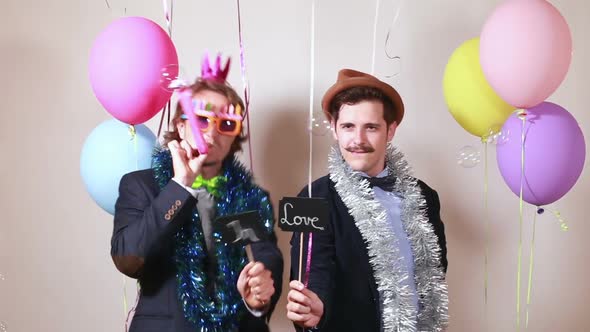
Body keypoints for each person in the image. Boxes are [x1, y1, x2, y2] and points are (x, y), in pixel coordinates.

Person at [111, 53, 283, 332]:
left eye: (226, 124)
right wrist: (180, 186)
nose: (212, 133)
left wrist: (259, 294)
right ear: (181, 126)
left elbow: (266, 257)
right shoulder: (142, 186)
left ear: (234, 136)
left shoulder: (248, 197)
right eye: (201, 119)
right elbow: (128, 258)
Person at [286, 69, 448, 331]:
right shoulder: (312, 198)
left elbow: (434, 272)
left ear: (390, 130)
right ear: (335, 129)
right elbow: (313, 270)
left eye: (371, 127)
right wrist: (315, 309)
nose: (358, 140)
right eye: (348, 126)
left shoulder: (425, 197)